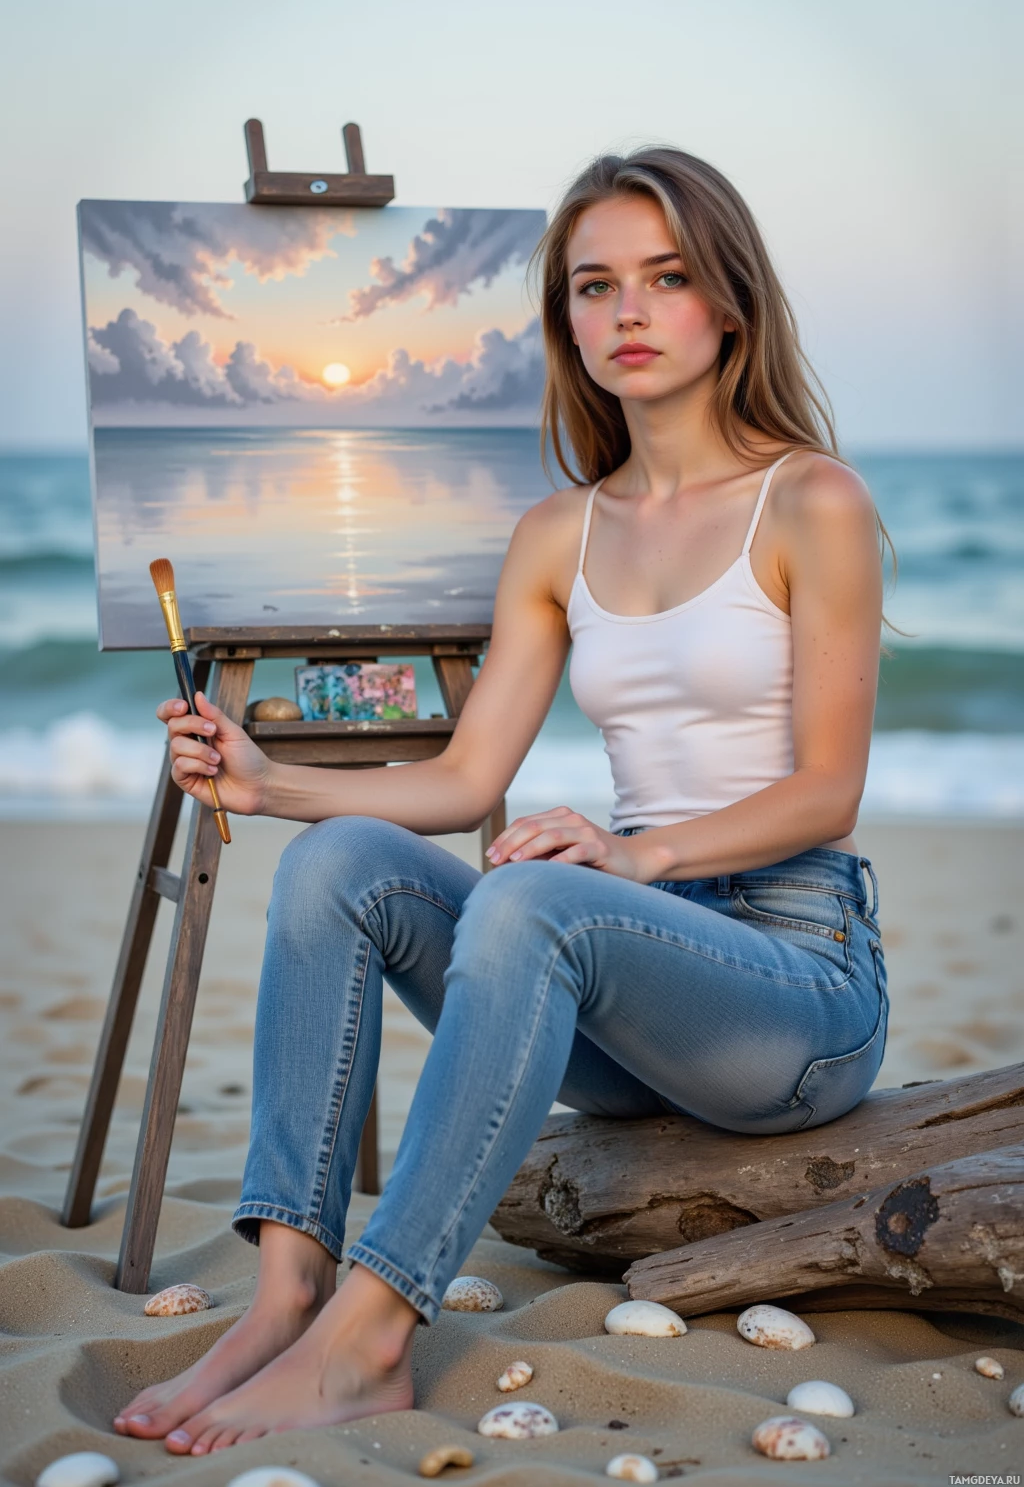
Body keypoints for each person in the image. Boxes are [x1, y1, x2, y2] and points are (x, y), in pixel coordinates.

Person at [114, 145, 890, 1454]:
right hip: (629, 1009)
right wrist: (267, 778)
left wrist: (630, 861)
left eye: (666, 278)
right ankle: (293, 1291)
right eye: (595, 287)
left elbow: (828, 790)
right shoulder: (558, 535)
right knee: (339, 859)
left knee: (537, 896)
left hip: (795, 992)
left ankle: (369, 1340)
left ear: (731, 306)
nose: (628, 314)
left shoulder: (811, 500)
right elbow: (469, 778)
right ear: (565, 319)